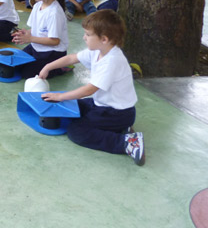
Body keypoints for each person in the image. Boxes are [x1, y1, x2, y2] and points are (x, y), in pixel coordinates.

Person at [39, 10, 144, 166]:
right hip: (102, 105)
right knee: (71, 106)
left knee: (77, 131)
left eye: (87, 35)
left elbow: (89, 90)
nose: (84, 37)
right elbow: (71, 58)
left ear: (104, 39)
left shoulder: (112, 61)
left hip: (116, 113)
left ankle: (127, 143)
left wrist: (60, 96)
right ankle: (122, 128)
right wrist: (48, 66)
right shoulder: (97, 51)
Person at [12, 0, 69, 78]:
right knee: (15, 66)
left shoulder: (54, 13)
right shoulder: (38, 5)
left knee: (27, 74)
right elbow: (35, 30)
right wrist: (24, 34)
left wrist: (30, 39)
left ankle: (60, 67)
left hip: (53, 52)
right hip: (37, 46)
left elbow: (55, 41)